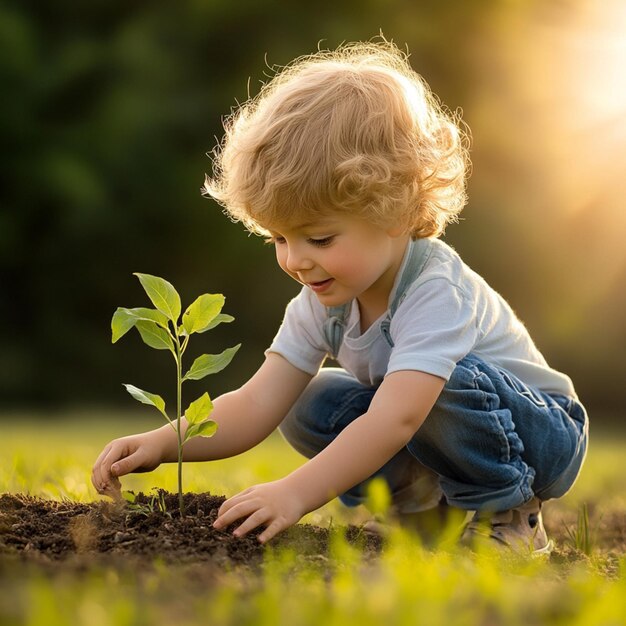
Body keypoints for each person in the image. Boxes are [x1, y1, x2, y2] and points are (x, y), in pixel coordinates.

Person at [91, 40, 588, 553]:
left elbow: (398, 417)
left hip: (540, 440)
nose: (295, 261)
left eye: (320, 239)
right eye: (278, 239)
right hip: (436, 429)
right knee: (307, 402)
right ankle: (420, 510)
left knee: (432, 389)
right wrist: (161, 443)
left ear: (397, 210)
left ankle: (508, 513)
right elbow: (257, 401)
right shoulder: (322, 299)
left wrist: (295, 492)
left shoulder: (435, 290)